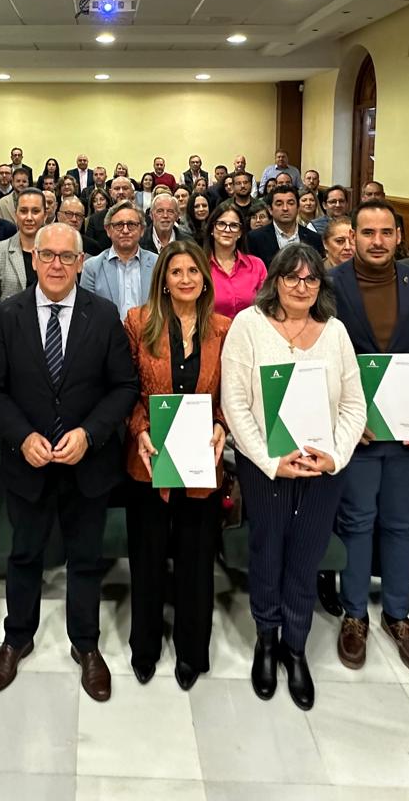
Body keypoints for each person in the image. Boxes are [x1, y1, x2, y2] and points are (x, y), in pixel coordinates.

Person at [0, 223, 139, 702]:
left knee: (85, 560)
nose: (54, 264)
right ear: (33, 259)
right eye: (46, 255)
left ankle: (86, 645)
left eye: (65, 257)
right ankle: (16, 637)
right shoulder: (7, 315)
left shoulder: (104, 314)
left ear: (79, 262)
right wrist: (22, 435)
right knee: (25, 554)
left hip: (87, 465)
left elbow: (124, 387)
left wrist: (90, 435)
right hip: (26, 461)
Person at [222, 244, 366, 710]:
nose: (301, 287)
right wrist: (269, 460)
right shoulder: (249, 326)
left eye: (310, 280)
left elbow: (353, 404)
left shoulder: (336, 332)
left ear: (320, 286)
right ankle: (267, 638)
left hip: (322, 468)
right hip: (267, 466)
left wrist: (335, 455)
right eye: (292, 278)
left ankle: (296, 646)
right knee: (268, 550)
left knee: (306, 554)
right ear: (275, 281)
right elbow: (236, 403)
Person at [324, 202, 409, 675]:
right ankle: (354, 615)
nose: (375, 240)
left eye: (385, 232)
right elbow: (321, 355)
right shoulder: (330, 284)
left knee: (401, 524)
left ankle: (398, 614)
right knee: (357, 521)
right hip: (357, 431)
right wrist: (341, 416)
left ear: (398, 236)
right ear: (352, 236)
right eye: (366, 232)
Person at [124, 241, 231, 691]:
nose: (185, 279)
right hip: (149, 458)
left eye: (193, 271)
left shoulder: (224, 328)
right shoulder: (137, 321)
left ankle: (191, 650)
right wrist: (139, 429)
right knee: (147, 559)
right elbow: (124, 387)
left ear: (205, 279)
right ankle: (144, 648)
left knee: (195, 560)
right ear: (162, 281)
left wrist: (223, 427)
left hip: (202, 461)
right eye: (176, 272)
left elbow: (231, 395)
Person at [81, 200, 158, 319]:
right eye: (119, 225)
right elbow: (86, 313)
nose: (125, 230)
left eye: (131, 224)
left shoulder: (157, 263)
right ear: (108, 230)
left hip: (149, 335)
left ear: (142, 230)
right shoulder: (91, 268)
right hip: (107, 336)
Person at [206, 199, 266, 320]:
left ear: (240, 233)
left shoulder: (256, 265)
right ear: (212, 229)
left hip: (250, 334)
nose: (227, 230)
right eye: (221, 224)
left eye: (234, 225)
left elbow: (267, 306)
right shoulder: (200, 266)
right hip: (212, 336)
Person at [0, 187, 45, 300]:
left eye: (35, 211)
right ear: (15, 214)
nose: (29, 217)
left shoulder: (57, 251)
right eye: (23, 211)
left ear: (45, 215)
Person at [248, 183, 324, 266]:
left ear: (298, 208)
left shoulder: (314, 238)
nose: (285, 208)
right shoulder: (255, 238)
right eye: (279, 204)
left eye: (290, 203)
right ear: (270, 210)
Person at [83, 174, 138, 258]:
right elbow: (89, 250)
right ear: (110, 192)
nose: (121, 192)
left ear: (132, 192)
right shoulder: (95, 219)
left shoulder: (144, 219)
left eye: (125, 188)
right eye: (117, 189)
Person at [143, 191, 185, 255]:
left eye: (170, 211)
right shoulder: (139, 242)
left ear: (177, 216)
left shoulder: (188, 243)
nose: (165, 215)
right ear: (151, 215)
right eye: (160, 211)